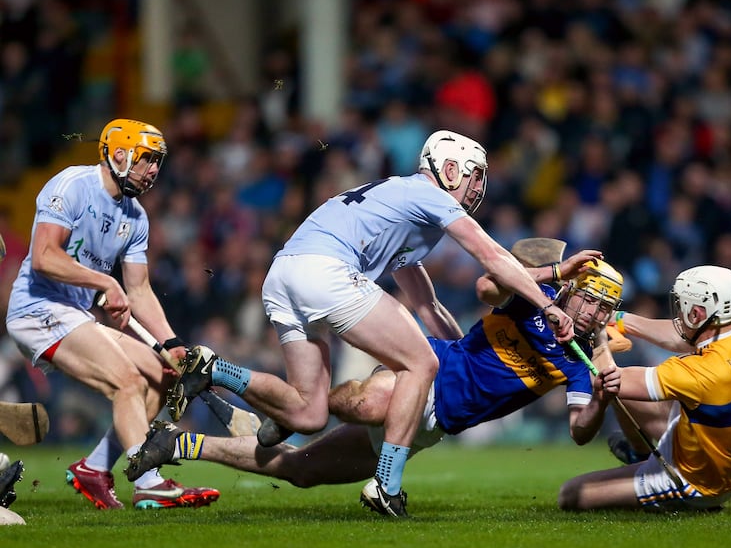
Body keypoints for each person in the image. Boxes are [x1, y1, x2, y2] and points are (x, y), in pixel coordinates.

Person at [166, 130, 580, 517]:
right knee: (420, 363)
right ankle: (387, 485)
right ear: (449, 168)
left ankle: (214, 369)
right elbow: (491, 255)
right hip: (324, 270)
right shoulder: (428, 194)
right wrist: (547, 301)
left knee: (308, 414)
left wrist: (465, 354)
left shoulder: (401, 208)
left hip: (284, 274)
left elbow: (428, 305)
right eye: (474, 175)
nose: (477, 187)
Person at [128, 256, 626, 515]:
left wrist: (603, 394)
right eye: (589, 300)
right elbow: (485, 286)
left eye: (604, 308)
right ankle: (232, 378)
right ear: (571, 291)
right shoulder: (535, 298)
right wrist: (550, 277)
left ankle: (182, 442)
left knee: (301, 470)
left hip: (429, 426)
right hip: (428, 369)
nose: (594, 314)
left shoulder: (579, 362)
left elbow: (581, 432)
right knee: (356, 401)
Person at [4, 119, 219, 510]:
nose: (154, 170)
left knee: (162, 376)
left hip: (75, 314)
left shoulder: (136, 217)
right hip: (37, 310)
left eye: (158, 162)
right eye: (148, 159)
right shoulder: (72, 185)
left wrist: (171, 343)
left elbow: (138, 289)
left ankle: (95, 467)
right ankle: (149, 483)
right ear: (119, 154)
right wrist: (104, 284)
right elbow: (44, 257)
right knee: (126, 380)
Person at [558, 265, 731, 513]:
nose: (679, 312)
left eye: (682, 305)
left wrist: (598, 338)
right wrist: (619, 319)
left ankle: (688, 503)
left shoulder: (699, 375)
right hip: (708, 445)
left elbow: (610, 382)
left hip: (696, 481)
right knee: (638, 401)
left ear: (698, 312)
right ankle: (639, 457)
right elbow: (680, 337)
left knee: (572, 494)